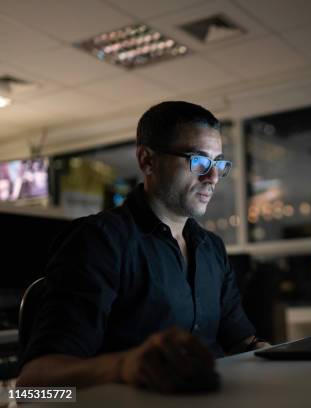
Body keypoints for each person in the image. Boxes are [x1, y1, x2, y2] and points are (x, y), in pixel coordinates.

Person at [17, 101, 269, 393]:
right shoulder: (99, 241)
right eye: (198, 161)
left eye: (218, 164)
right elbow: (31, 386)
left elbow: (242, 343)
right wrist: (124, 366)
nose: (212, 177)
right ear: (147, 160)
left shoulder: (211, 248)